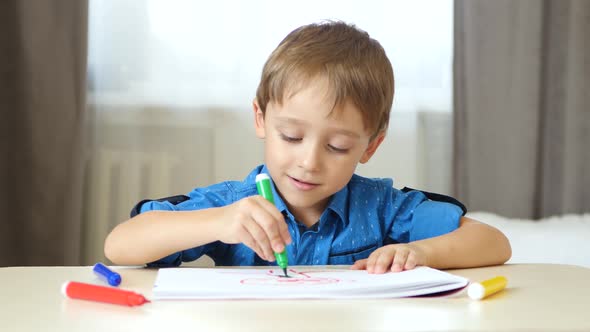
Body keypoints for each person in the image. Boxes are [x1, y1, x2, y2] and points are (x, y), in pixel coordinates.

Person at [104, 21, 511, 274]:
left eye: (336, 146)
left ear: (370, 147)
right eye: (292, 137)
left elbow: (494, 242)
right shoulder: (234, 206)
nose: (309, 161)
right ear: (261, 118)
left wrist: (420, 252)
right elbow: (120, 246)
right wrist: (217, 223)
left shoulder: (381, 206)